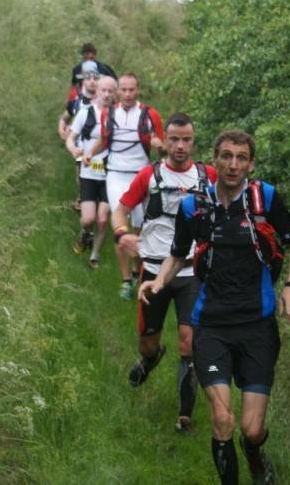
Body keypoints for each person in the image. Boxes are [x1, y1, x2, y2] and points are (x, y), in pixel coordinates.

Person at [139, 130, 290, 485]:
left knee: (251, 428)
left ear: (251, 163)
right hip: (211, 325)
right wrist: (158, 281)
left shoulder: (265, 199)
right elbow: (177, 252)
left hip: (258, 326)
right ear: (214, 160)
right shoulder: (194, 207)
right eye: (226, 156)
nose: (233, 165)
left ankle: (255, 451)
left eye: (241, 157)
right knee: (222, 419)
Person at [112, 113, 216, 433]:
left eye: (186, 140)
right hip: (154, 271)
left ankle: (185, 416)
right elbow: (121, 208)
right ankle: (151, 358)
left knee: (189, 341)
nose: (180, 146)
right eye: (174, 139)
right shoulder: (149, 175)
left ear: (193, 141)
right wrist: (121, 232)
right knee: (147, 342)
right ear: (164, 140)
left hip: (190, 273)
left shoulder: (207, 175)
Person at [84, 72, 164, 299]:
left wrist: (159, 146)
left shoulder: (150, 115)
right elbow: (104, 140)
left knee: (141, 227)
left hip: (141, 175)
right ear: (118, 91)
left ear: (138, 90)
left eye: (132, 90)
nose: (128, 94)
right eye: (124, 90)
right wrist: (91, 151)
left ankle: (139, 271)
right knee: (121, 228)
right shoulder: (109, 113)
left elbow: (164, 147)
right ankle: (126, 280)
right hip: (116, 175)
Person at [65, 76, 117, 268]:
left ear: (115, 94)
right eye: (103, 90)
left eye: (111, 91)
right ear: (97, 92)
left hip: (111, 174)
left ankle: (94, 257)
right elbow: (71, 138)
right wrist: (73, 149)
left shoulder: (118, 115)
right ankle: (85, 233)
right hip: (88, 173)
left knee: (102, 219)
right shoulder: (85, 113)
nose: (106, 94)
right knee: (88, 219)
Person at [58, 63, 100, 212]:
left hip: (102, 150)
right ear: (83, 81)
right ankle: (85, 207)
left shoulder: (106, 102)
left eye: (95, 77)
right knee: (82, 181)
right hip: (81, 149)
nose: (92, 81)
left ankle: (92, 204)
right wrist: (62, 129)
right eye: (88, 77)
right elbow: (64, 117)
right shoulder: (76, 103)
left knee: (97, 182)